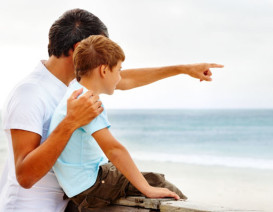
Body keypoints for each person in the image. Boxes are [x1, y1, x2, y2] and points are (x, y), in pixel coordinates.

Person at [0, 8, 223, 212]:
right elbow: (25, 176)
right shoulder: (30, 93)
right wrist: (70, 123)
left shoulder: (74, 85)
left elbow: (122, 79)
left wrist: (182, 69)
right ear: (80, 49)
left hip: (67, 204)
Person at [49, 34, 186, 211]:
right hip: (91, 186)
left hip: (77, 186)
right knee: (157, 182)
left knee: (126, 172)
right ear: (104, 70)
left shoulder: (74, 92)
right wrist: (147, 189)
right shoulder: (87, 102)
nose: (120, 77)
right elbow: (114, 149)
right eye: (119, 70)